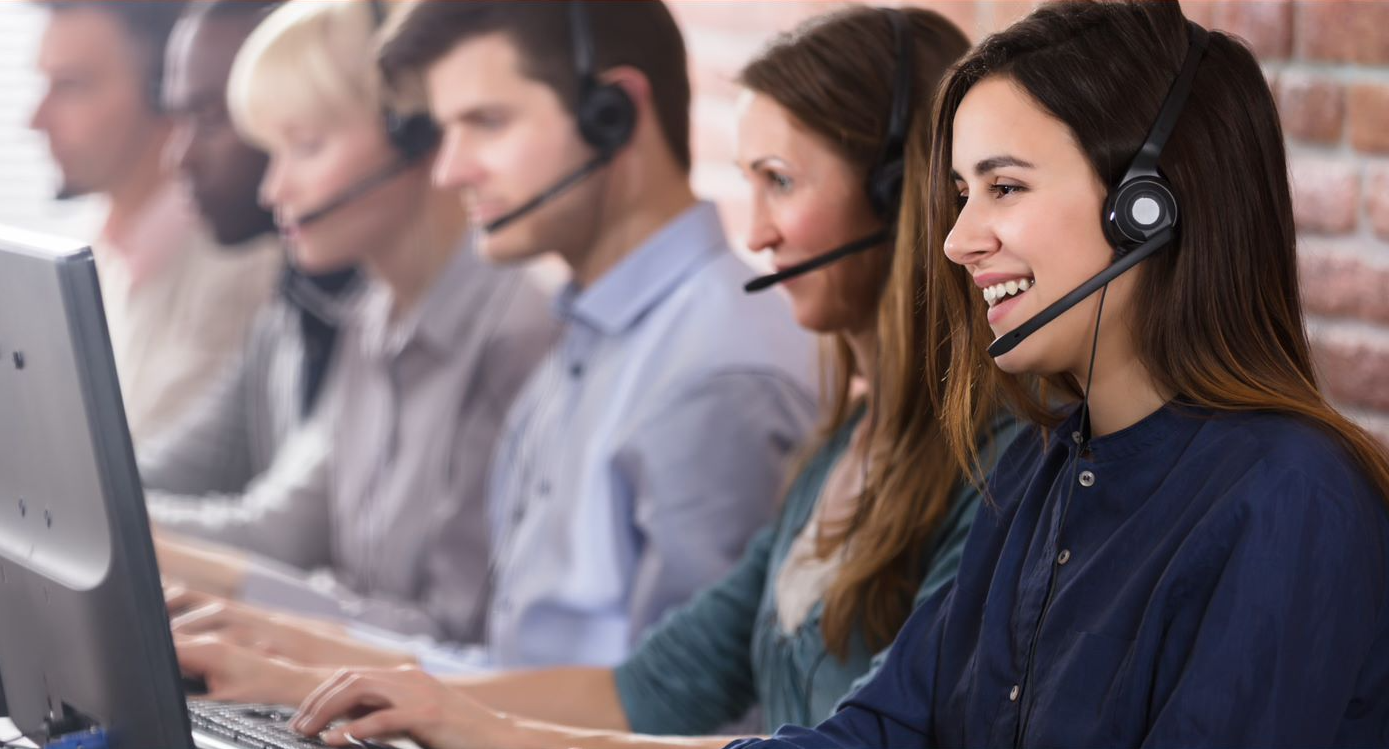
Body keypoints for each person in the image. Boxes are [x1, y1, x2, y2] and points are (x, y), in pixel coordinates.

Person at [171, 12, 1021, 748]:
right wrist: (292, 662)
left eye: (779, 183)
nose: (754, 231)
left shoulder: (735, 377)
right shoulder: (839, 445)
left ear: (895, 194)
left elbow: (782, 730)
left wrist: (459, 719)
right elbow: (649, 684)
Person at [644, 1, 1389, 746]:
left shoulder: (1292, 496)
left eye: (1003, 188)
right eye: (962, 195)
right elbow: (880, 728)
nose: (955, 241)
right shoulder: (1036, 470)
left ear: (1147, 208)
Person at [169, 0, 820, 673]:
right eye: (447, 130)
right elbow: (509, 670)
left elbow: (672, 716)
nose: (449, 170)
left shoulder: (715, 371)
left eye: (487, 122)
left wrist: (293, 655)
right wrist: (280, 646)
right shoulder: (585, 343)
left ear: (613, 114)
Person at [149, 0, 559, 647]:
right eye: (272, 150)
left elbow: (460, 638)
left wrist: (255, 622)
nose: (272, 189)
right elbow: (300, 534)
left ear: (415, 135)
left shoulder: (517, 335)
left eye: (305, 147)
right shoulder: (372, 316)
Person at [137, 0, 362, 501]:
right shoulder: (291, 304)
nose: (179, 157)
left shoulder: (376, 317)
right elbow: (175, 467)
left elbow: (286, 532)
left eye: (212, 118)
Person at [29, 0, 279, 444]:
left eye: (71, 87)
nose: (37, 120)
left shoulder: (241, 273)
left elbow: (129, 472)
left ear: (164, 91)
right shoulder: (99, 247)